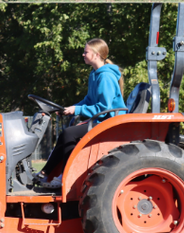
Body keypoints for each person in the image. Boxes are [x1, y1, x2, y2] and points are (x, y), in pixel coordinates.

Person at [37, 39, 125, 187]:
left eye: (86, 52)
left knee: (70, 134)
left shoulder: (105, 77)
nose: (83, 54)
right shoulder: (95, 74)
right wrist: (70, 109)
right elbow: (89, 99)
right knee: (66, 134)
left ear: (96, 55)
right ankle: (45, 173)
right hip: (102, 119)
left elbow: (104, 108)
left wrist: (77, 110)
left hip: (109, 122)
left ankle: (66, 175)